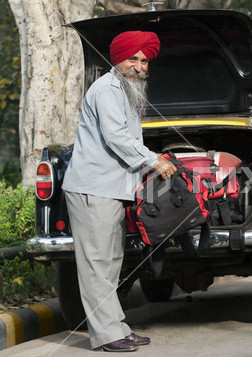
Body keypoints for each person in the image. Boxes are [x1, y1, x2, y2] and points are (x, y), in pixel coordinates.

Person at [62, 31, 177, 352]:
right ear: (118, 59)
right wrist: (154, 161)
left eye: (144, 61)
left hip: (112, 188)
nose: (139, 67)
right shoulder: (108, 89)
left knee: (111, 263)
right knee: (97, 264)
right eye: (133, 59)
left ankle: (117, 328)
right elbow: (117, 138)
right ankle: (107, 335)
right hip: (92, 188)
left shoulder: (125, 91)